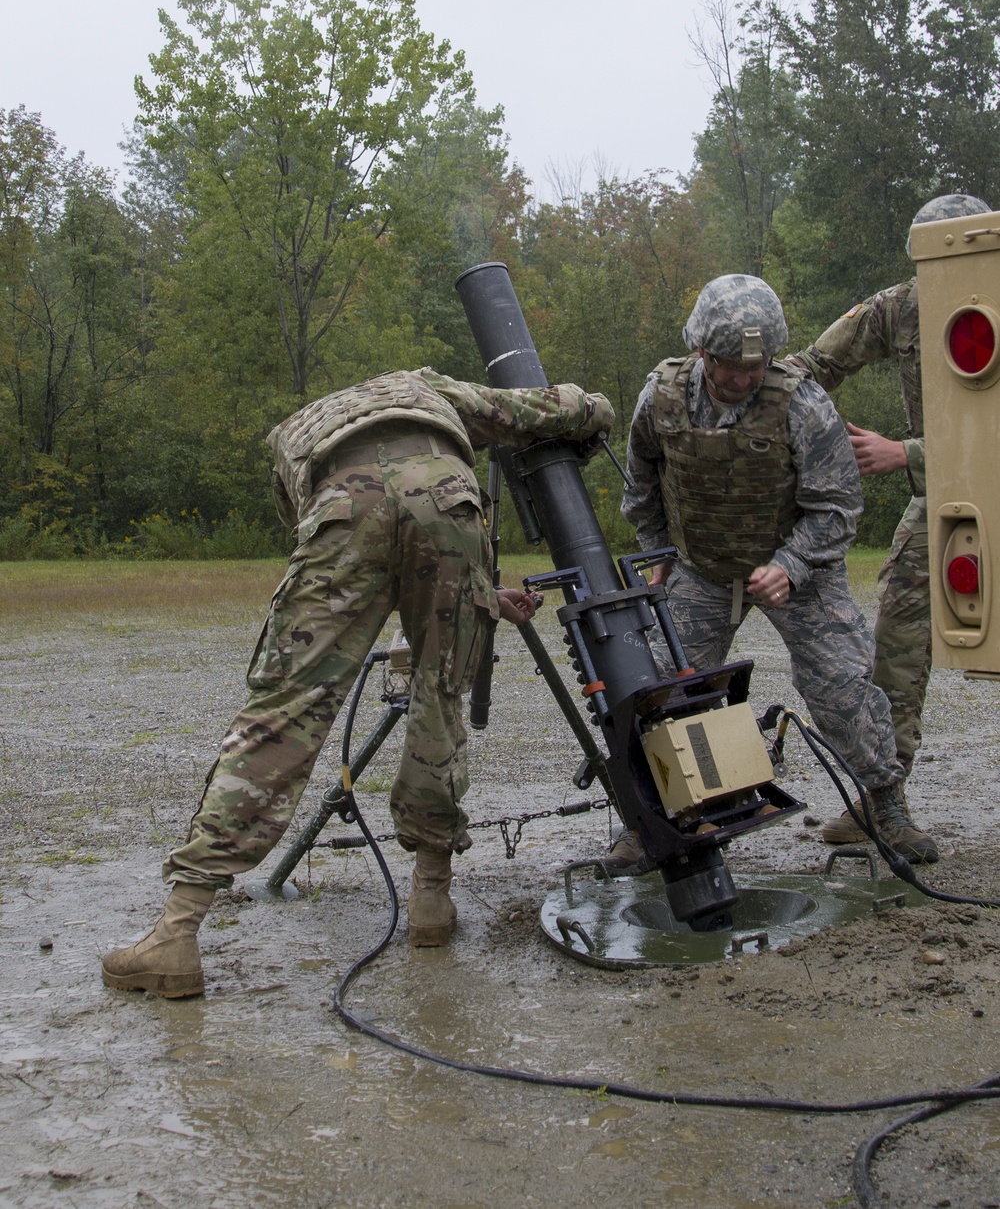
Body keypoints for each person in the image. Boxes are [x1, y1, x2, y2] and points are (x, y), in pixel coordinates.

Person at [102, 367, 614, 998]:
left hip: (340, 506)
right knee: (440, 698)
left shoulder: (298, 432)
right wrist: (592, 409)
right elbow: (530, 411)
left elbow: (336, 533)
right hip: (447, 498)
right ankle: (430, 899)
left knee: (287, 709)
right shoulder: (428, 387)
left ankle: (176, 933)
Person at [612, 272, 933, 871]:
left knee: (841, 684)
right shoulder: (661, 398)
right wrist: (657, 555)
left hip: (799, 569)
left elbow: (837, 507)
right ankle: (646, 823)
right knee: (654, 686)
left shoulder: (803, 404)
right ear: (702, 351)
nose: (743, 378)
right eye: (731, 365)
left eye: (755, 367)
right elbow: (642, 486)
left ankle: (887, 804)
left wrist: (789, 565)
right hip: (702, 569)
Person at [789, 193, 993, 854]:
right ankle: (883, 802)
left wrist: (904, 453)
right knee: (899, 647)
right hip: (942, 502)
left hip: (960, 485)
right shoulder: (900, 308)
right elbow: (809, 371)